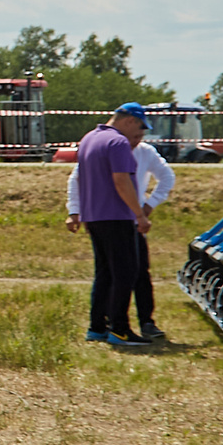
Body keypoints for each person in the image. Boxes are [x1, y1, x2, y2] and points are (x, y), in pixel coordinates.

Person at [66, 105, 177, 340]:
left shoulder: (89, 139)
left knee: (104, 273)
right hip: (117, 216)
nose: (139, 137)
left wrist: (77, 210)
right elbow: (121, 181)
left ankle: (96, 327)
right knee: (126, 273)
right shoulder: (118, 143)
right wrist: (139, 214)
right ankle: (120, 329)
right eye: (138, 129)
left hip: (94, 217)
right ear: (128, 121)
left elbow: (79, 178)